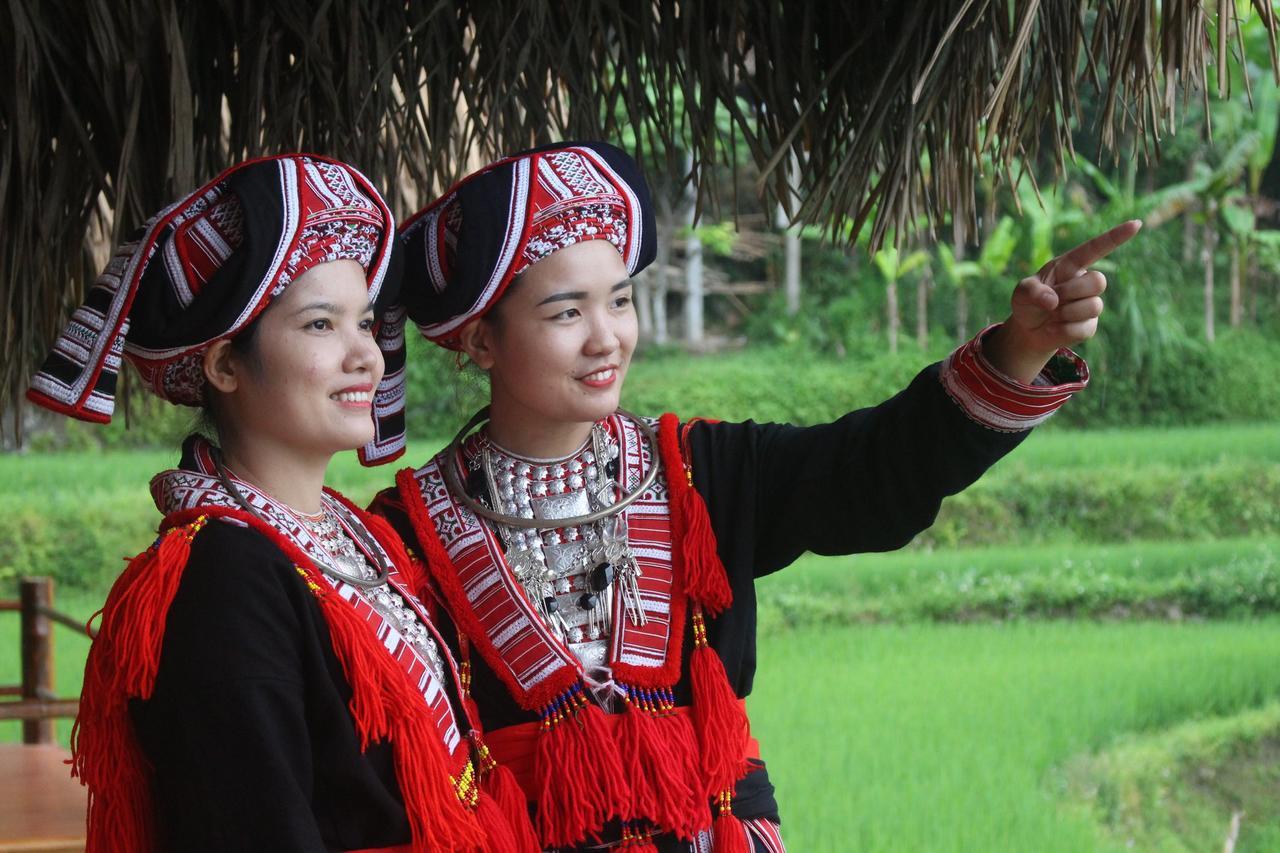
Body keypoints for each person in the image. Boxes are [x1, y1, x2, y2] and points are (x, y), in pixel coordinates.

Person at [370, 141, 1139, 852]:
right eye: (567, 311)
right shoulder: (405, 540)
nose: (606, 337)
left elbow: (872, 469)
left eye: (620, 301)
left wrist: (1020, 348)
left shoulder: (701, 472)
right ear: (480, 341)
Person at [28, 154, 538, 852]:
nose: (367, 356)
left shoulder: (358, 538)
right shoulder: (223, 578)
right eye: (321, 326)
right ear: (225, 365)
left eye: (364, 323)